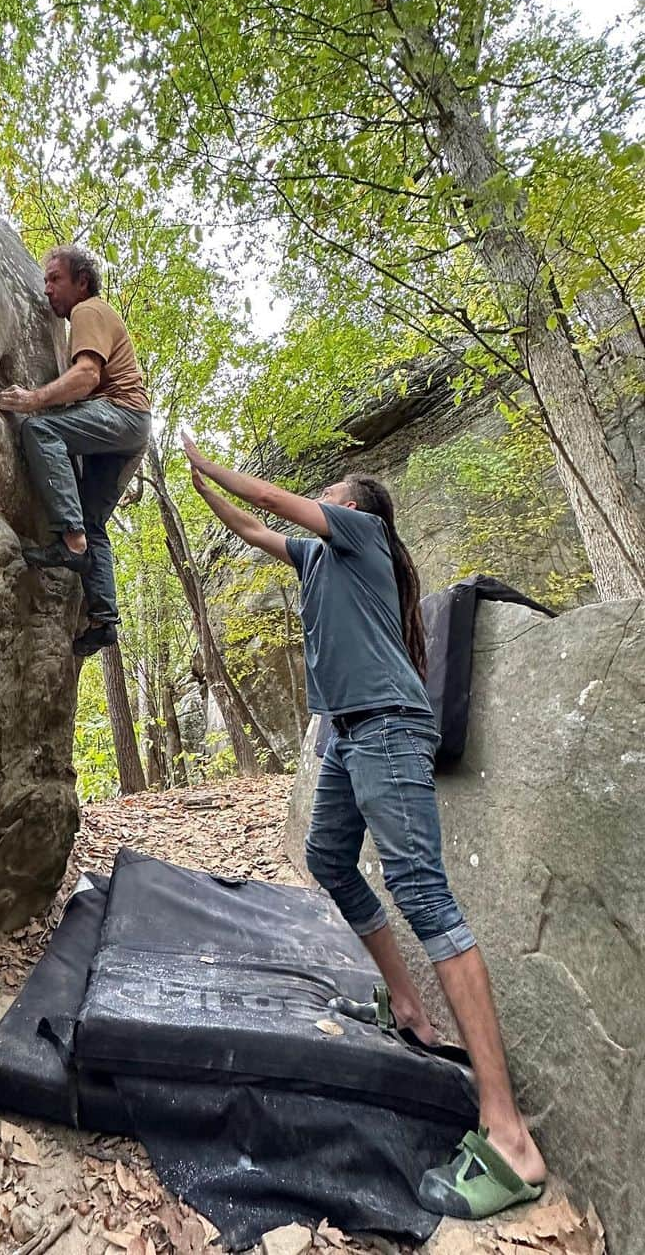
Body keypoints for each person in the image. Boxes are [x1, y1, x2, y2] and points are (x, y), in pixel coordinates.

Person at [180, 432, 546, 1221]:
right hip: (347, 733)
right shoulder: (317, 561)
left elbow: (274, 501)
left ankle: (510, 1135)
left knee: (425, 894)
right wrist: (196, 487)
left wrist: (211, 460)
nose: (329, 499)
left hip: (387, 727)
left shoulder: (365, 534)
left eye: (337, 493)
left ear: (356, 513)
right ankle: (409, 1010)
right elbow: (251, 528)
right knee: (330, 859)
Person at [0, 245, 151, 657]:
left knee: (40, 429)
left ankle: (70, 541)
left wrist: (33, 399)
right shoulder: (86, 317)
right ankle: (104, 619)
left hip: (122, 415)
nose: (47, 289)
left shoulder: (88, 310)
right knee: (93, 520)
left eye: (55, 279)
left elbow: (86, 375)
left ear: (81, 282)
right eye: (45, 280)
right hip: (130, 431)